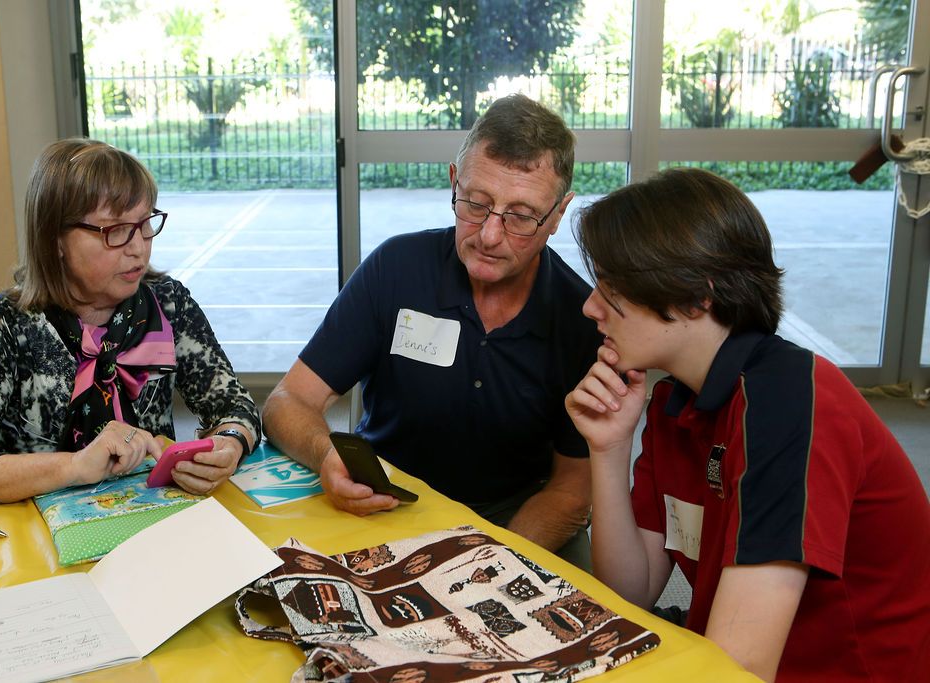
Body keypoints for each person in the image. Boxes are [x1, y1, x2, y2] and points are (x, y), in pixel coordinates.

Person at [565, 167, 930, 682]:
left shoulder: (791, 401)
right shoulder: (675, 401)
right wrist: (608, 450)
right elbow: (634, 594)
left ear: (696, 296)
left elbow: (741, 665)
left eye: (611, 287)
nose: (590, 306)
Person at [263, 93, 602, 571]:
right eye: (475, 204)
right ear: (452, 181)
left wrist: (490, 562)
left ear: (559, 214)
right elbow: (287, 401)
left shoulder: (580, 318)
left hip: (520, 517)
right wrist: (326, 455)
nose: (488, 235)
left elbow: (572, 489)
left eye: (522, 217)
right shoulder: (395, 269)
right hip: (389, 499)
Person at [0, 138, 260, 503]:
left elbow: (235, 407)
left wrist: (230, 443)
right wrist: (73, 466)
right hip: (34, 533)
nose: (139, 247)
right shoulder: (1, 326)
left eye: (145, 222)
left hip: (157, 519)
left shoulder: (167, 303)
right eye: (115, 230)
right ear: (56, 239)